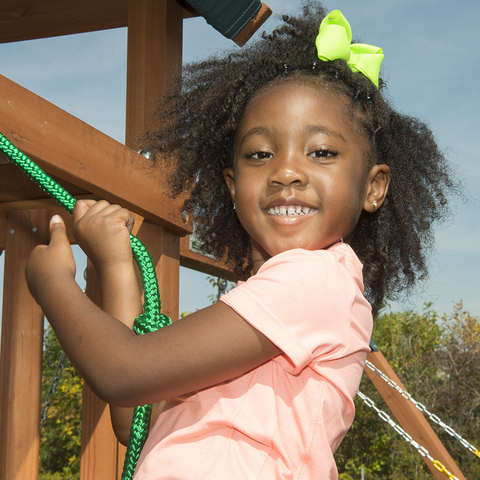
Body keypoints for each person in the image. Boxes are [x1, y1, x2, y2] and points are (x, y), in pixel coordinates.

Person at [25, 2, 458, 479]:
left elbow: (123, 373)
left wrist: (51, 285)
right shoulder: (265, 307)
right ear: (232, 185)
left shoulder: (314, 283)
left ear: (373, 187)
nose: (286, 172)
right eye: (260, 153)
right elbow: (137, 419)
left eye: (321, 152)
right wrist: (114, 268)